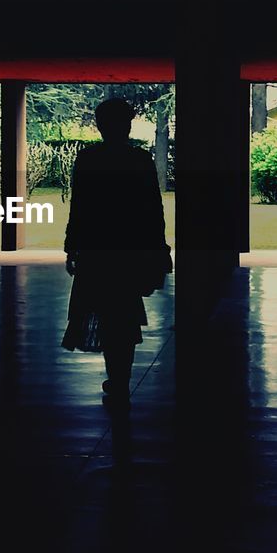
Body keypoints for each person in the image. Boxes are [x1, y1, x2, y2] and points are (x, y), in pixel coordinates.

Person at [61, 98, 172, 404]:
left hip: (98, 251)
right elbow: (153, 210)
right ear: (128, 125)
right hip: (129, 251)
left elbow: (80, 208)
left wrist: (73, 246)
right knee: (123, 315)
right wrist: (158, 248)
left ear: (100, 125)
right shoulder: (139, 160)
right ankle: (120, 379)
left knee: (106, 314)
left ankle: (117, 379)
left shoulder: (88, 159)